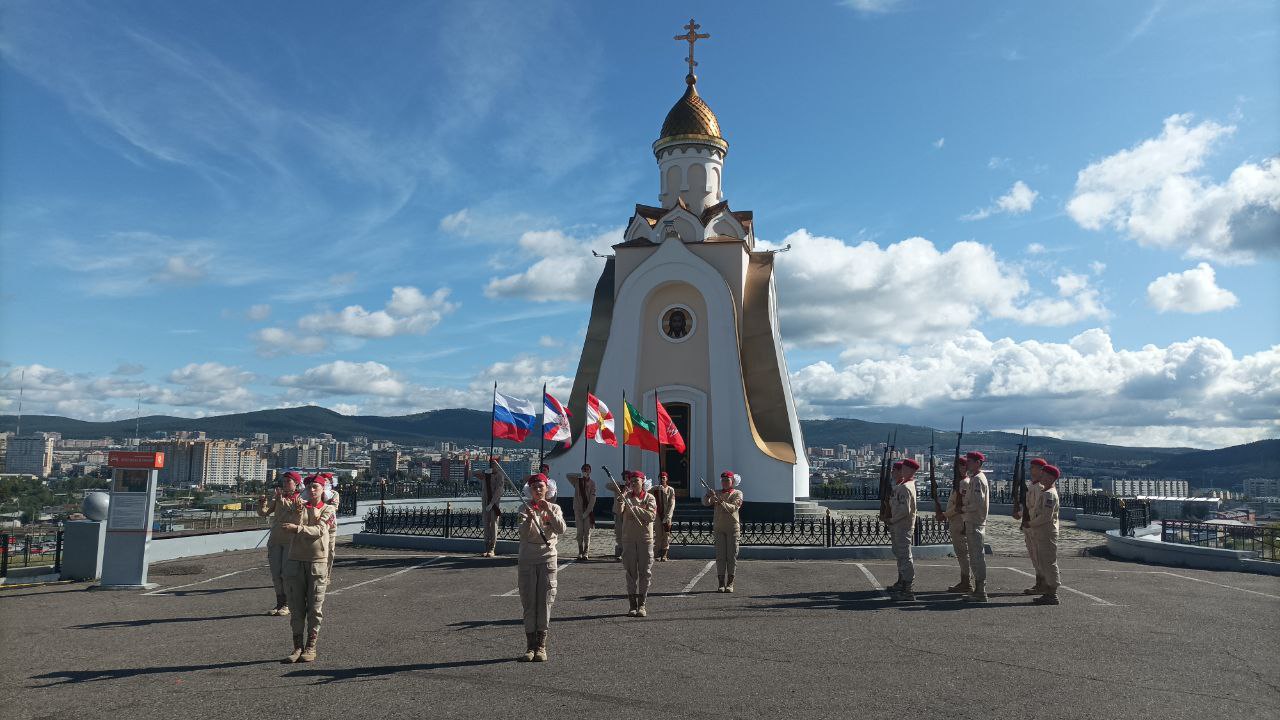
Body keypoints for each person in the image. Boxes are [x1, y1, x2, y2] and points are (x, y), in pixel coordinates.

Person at [280, 474, 335, 663]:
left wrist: (298, 528)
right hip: (296, 560)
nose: (312, 491)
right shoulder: (300, 507)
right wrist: (296, 511)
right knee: (296, 607)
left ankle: (311, 646)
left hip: (317, 563)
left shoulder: (328, 509)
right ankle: (297, 647)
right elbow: (287, 520)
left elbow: (320, 530)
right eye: (309, 487)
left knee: (314, 608)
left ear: (323, 490)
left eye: (316, 487)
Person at [516, 473, 566, 661]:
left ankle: (541, 646)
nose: (538, 490)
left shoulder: (555, 507)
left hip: (547, 559)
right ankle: (530, 646)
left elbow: (561, 529)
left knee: (545, 602)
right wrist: (529, 519)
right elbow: (523, 534)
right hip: (528, 558)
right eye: (534, 487)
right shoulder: (524, 507)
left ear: (547, 489)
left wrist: (550, 512)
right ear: (530, 490)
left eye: (541, 487)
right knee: (529, 602)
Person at [257, 471, 302, 616]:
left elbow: (297, 517)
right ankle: (279, 603)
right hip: (275, 540)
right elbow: (264, 513)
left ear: (296, 484)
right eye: (284, 481)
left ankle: (288, 604)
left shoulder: (300, 499)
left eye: (288, 481)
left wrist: (281, 500)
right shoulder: (278, 498)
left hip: (290, 541)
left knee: (286, 573)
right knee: (276, 573)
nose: (285, 484)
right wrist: (262, 503)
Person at [615, 470, 658, 617]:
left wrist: (637, 509)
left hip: (645, 539)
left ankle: (642, 604)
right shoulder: (625, 497)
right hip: (629, 539)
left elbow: (652, 516)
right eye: (631, 481)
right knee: (631, 573)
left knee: (645, 573)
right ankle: (632, 605)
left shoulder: (649, 498)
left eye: (636, 481)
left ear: (642, 482)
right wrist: (620, 500)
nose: (633, 483)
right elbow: (617, 511)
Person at [703, 470, 744, 593]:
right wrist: (708, 495)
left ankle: (730, 583)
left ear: (732, 481)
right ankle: (721, 583)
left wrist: (721, 501)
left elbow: (733, 507)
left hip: (732, 528)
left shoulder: (738, 493)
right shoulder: (717, 492)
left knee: (731, 556)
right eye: (723, 480)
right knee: (720, 556)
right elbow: (705, 503)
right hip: (719, 528)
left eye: (727, 480)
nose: (725, 483)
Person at [936, 456, 972, 593]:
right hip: (955, 521)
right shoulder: (959, 483)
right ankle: (965, 580)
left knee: (963, 553)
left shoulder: (964, 483)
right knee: (961, 552)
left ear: (965, 468)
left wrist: (944, 515)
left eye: (960, 467)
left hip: (960, 521)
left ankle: (966, 581)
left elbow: (959, 506)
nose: (956, 470)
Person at [1028, 464, 1063, 605]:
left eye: (1043, 475)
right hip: (1042, 531)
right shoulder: (1045, 491)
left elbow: (1045, 516)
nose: (1040, 477)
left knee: (1049, 562)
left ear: (1050, 477)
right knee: (1043, 561)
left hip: (1047, 531)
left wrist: (1031, 524)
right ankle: (1048, 590)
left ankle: (1052, 592)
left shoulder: (1049, 494)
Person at [887, 458, 920, 601]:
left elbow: (904, 510)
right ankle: (903, 583)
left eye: (905, 469)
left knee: (905, 556)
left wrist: (892, 520)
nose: (902, 471)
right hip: (900, 525)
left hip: (902, 525)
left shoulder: (906, 487)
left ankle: (908, 589)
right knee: (901, 555)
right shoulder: (904, 485)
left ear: (911, 470)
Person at [960, 451, 991, 603]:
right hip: (972, 520)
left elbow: (978, 502)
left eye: (970, 461)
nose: (967, 464)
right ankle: (978, 589)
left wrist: (964, 508)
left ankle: (981, 590)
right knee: (974, 556)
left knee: (977, 556)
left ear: (978, 462)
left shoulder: (978, 479)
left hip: (975, 521)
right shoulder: (975, 478)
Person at [1015, 458, 1047, 594]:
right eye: (1031, 467)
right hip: (1029, 525)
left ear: (1041, 470)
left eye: (1034, 467)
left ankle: (1044, 583)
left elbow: (1037, 509)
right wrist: (1021, 513)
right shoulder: (1032, 485)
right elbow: (1028, 506)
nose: (1031, 470)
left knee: (1039, 556)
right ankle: (1039, 582)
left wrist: (1025, 515)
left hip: (1036, 526)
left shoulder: (1041, 487)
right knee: (1033, 555)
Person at [477, 458, 505, 557]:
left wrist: (492, 503)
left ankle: (492, 548)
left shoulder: (500, 475)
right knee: (486, 524)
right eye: (491, 463)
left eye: (494, 463)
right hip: (485, 501)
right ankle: (486, 547)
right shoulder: (486, 474)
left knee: (493, 525)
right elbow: (473, 473)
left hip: (494, 503)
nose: (493, 465)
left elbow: (499, 490)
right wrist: (485, 471)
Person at [570, 464, 597, 560]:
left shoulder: (592, 483)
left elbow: (593, 499)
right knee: (579, 531)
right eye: (584, 469)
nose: (586, 471)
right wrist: (580, 475)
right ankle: (580, 550)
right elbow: (568, 476)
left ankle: (586, 551)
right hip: (578, 509)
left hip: (588, 510)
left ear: (590, 471)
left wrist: (587, 512)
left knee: (587, 532)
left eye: (587, 469)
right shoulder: (577, 481)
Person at [654, 471, 676, 561]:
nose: (662, 479)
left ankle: (665, 554)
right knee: (658, 534)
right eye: (660, 478)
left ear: (667, 479)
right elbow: (646, 492)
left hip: (666, 515)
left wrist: (668, 516)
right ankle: (657, 553)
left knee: (666, 535)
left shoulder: (670, 489)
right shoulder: (656, 488)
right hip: (658, 515)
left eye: (664, 478)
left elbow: (672, 503)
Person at [322, 472, 341, 578]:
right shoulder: (316, 492)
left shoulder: (334, 493)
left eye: (326, 480)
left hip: (330, 525)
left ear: (330, 482)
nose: (324, 482)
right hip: (318, 524)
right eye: (322, 479)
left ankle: (327, 574)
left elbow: (334, 507)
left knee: (330, 549)